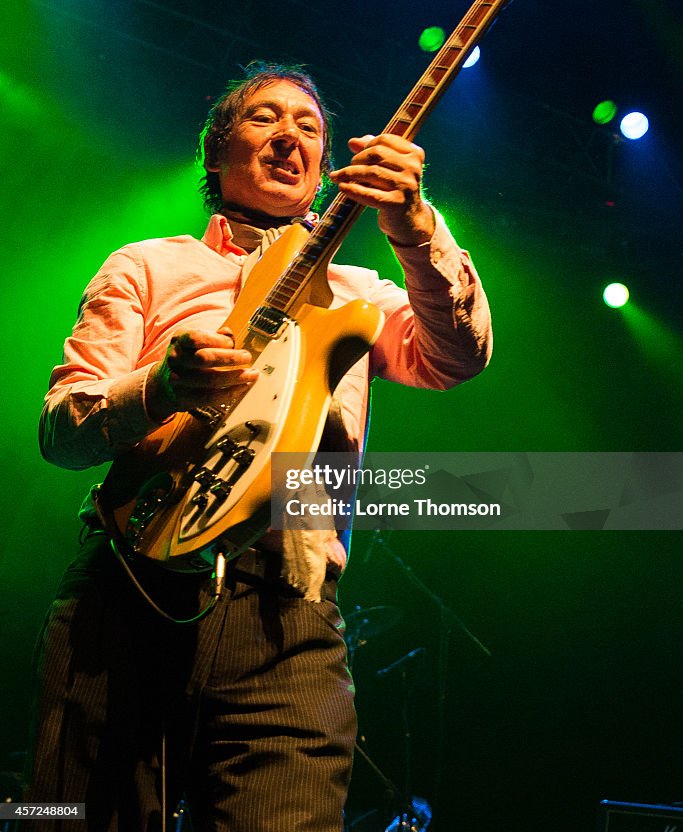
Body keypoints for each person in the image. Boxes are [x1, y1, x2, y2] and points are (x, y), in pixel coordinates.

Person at [26, 62, 492, 832]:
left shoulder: (360, 291)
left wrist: (414, 222)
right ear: (215, 153)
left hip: (289, 614)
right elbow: (62, 430)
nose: (290, 135)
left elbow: (458, 356)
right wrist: (160, 389)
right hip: (126, 593)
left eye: (309, 127)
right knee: (59, 815)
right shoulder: (147, 265)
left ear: (326, 167)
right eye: (264, 118)